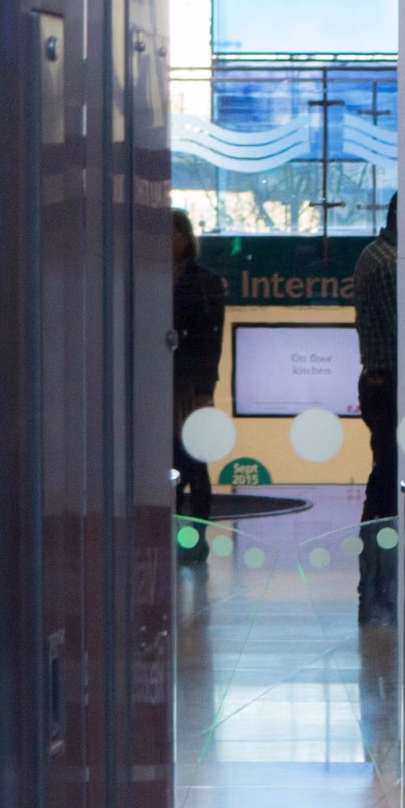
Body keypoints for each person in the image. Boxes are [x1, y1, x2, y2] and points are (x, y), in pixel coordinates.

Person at [353, 195, 399, 625]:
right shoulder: (389, 263)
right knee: (386, 483)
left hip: (380, 383)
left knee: (383, 478)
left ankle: (377, 577)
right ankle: (377, 578)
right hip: (389, 384)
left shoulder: (376, 254)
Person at [172, 212, 226, 564]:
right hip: (165, 382)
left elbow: (213, 340)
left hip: (193, 384)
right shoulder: (148, 277)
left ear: (185, 237)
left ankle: (198, 539)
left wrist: (206, 385)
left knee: (197, 461)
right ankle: (178, 537)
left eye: (173, 234)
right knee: (173, 462)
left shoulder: (206, 283)